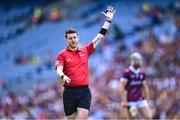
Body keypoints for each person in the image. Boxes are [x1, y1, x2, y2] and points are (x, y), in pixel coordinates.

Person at [55, 6, 115, 120]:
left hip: (84, 91)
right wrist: (63, 75)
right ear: (66, 40)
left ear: (78, 38)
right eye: (70, 38)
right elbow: (58, 68)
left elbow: (100, 36)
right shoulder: (62, 54)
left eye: (74, 37)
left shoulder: (85, 50)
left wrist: (108, 21)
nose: (73, 40)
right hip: (69, 92)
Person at [119, 52, 152, 119]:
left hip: (140, 99)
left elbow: (145, 87)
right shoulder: (127, 73)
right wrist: (124, 101)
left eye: (140, 60)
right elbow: (121, 87)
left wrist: (148, 99)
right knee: (131, 119)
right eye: (138, 60)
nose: (140, 62)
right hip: (130, 100)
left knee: (148, 116)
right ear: (133, 61)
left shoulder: (142, 73)